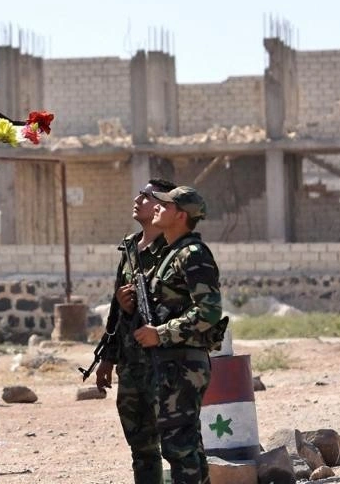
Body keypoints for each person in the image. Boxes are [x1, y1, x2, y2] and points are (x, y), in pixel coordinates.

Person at [134, 185, 225, 484]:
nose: (157, 207)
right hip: (172, 362)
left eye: (165, 205)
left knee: (179, 447)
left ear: (181, 215)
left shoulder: (192, 254)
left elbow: (209, 311)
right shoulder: (171, 253)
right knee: (187, 445)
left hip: (184, 363)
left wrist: (160, 334)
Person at [95, 177, 177, 484]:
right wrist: (107, 357)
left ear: (162, 206)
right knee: (141, 447)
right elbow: (116, 310)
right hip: (131, 364)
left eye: (146, 196)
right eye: (139, 194)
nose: (137, 199)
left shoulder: (173, 250)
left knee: (176, 445)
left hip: (164, 363)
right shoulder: (130, 248)